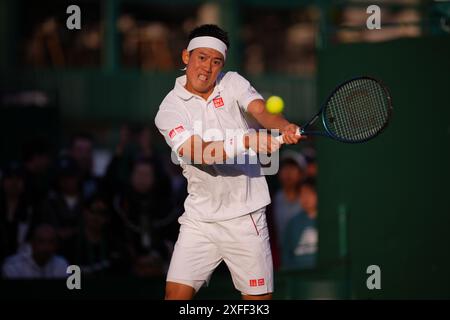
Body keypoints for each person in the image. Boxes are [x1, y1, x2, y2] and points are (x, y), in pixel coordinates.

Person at [154, 24, 302, 300]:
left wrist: (282, 126)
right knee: (174, 296)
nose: (207, 67)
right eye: (201, 58)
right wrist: (246, 142)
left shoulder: (232, 82)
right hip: (199, 219)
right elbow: (196, 152)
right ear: (186, 56)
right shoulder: (169, 110)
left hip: (246, 217)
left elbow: (260, 110)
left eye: (216, 61)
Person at [2, 224, 68, 279]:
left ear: (56, 245)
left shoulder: (61, 265)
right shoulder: (13, 267)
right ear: (32, 244)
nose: (46, 247)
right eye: (41, 241)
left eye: (51, 242)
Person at [281, 178, 318, 270]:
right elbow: (286, 253)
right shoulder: (293, 223)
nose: (305, 198)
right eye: (301, 194)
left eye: (309, 193)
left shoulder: (327, 220)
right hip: (298, 276)